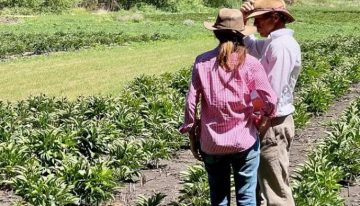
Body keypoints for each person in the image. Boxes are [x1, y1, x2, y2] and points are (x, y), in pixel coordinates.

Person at [179, 8, 277, 206]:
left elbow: (191, 102)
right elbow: (270, 100)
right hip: (244, 140)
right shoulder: (250, 63)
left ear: (216, 33)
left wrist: (191, 133)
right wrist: (262, 121)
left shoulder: (202, 62)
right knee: (247, 198)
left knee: (219, 198)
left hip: (212, 142)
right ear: (242, 34)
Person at [240, 0, 302, 205]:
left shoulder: (280, 46)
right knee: (265, 182)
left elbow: (272, 94)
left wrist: (262, 122)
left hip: (272, 122)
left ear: (275, 18)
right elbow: (250, 46)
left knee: (276, 190)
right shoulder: (273, 43)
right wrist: (242, 20)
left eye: (259, 19)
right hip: (271, 120)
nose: (256, 24)